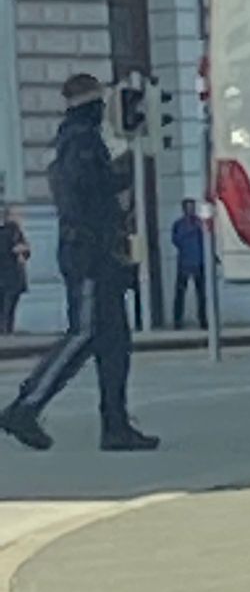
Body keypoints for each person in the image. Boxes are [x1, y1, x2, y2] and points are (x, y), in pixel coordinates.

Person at [0, 74, 159, 453]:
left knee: (115, 342)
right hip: (90, 253)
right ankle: (26, 406)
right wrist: (125, 175)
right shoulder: (81, 141)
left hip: (95, 250)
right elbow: (86, 192)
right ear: (92, 103)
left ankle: (116, 424)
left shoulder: (73, 138)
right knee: (84, 333)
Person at [170, 198, 208, 331]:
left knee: (202, 294)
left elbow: (206, 241)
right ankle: (177, 321)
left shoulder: (200, 223)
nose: (190, 210)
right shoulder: (179, 224)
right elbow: (176, 240)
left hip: (198, 262)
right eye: (188, 207)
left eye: (192, 207)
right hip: (184, 263)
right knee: (180, 294)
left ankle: (203, 320)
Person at [0, 206, 28, 335]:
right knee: (7, 306)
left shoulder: (17, 232)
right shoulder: (9, 231)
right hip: (8, 275)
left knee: (9, 306)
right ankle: (6, 331)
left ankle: (6, 330)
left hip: (13, 275)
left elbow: (26, 250)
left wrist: (23, 250)